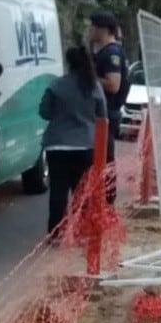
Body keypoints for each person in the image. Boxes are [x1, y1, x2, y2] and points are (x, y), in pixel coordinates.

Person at [39, 46, 107, 236]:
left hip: (57, 145)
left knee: (58, 192)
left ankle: (55, 234)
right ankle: (81, 231)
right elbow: (103, 115)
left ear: (69, 63)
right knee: (82, 193)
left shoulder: (56, 85)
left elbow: (44, 112)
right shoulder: (94, 86)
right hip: (85, 145)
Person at [88, 9, 129, 204]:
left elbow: (113, 84)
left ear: (103, 29)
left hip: (106, 115)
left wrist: (90, 79)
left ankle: (106, 200)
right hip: (103, 114)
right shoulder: (106, 52)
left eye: (93, 26)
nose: (90, 30)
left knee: (104, 159)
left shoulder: (111, 53)